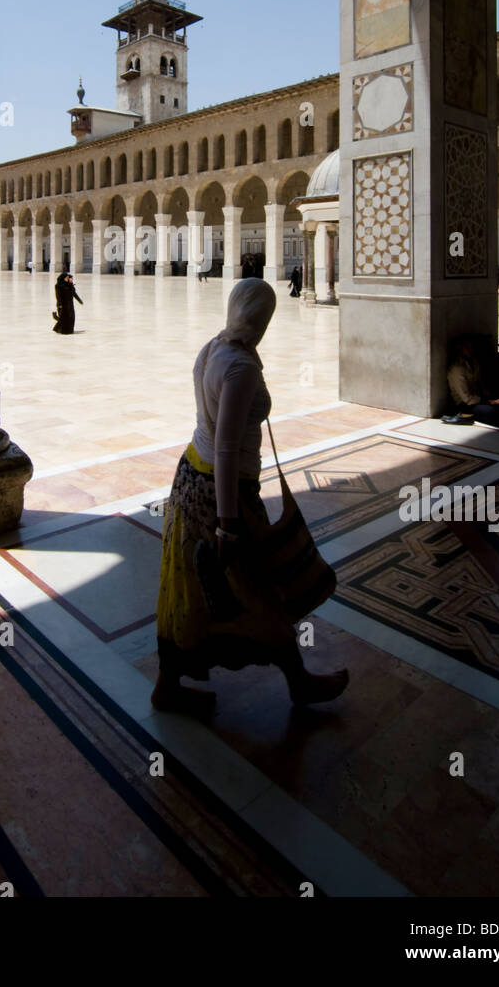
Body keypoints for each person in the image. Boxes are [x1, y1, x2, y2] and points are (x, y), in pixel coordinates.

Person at [152, 279, 349, 717]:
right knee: (261, 591)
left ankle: (168, 685)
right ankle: (299, 682)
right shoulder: (240, 367)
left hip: (190, 476)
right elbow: (225, 448)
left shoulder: (212, 348)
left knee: (189, 588)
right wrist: (228, 522)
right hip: (222, 494)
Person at [445, 337, 499, 426]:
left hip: (479, 399)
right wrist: (491, 402)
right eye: (468, 347)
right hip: (466, 405)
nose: (471, 349)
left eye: (471, 347)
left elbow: (480, 385)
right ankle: (468, 416)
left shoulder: (473, 363)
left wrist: (492, 398)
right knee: (494, 412)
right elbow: (467, 399)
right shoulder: (457, 369)